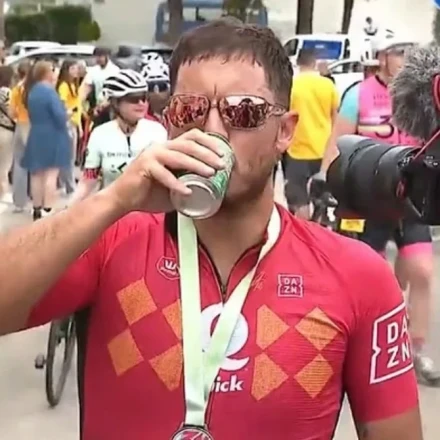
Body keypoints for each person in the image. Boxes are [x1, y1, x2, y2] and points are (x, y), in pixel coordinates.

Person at [0, 20, 422, 440]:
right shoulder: (112, 241)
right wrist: (112, 201)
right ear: (170, 123)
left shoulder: (357, 275)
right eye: (191, 110)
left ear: (285, 131)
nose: (213, 130)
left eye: (244, 112)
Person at [320, 37, 440, 386]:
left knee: (422, 271)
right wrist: (326, 181)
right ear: (383, 57)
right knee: (370, 279)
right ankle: (363, 349)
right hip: (370, 196)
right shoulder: (357, 94)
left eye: (409, 51)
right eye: (399, 51)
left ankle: (415, 352)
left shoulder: (426, 93)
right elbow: (337, 142)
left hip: (413, 194)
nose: (405, 57)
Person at [70, 69, 167, 202]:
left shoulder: (158, 131)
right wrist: (68, 208)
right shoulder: (100, 134)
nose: (141, 103)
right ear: (115, 103)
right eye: (133, 98)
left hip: (151, 209)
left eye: (144, 97)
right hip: (112, 208)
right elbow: (88, 181)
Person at [284, 48, 339, 219]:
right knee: (321, 198)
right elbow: (336, 117)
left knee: (299, 198)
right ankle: (318, 225)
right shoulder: (328, 85)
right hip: (323, 151)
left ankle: (303, 229)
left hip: (297, 151)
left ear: (298, 63)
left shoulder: (291, 86)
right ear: (314, 63)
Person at [21, 61, 71, 221]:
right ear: (46, 73)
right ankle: (48, 208)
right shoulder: (50, 92)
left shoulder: (32, 91)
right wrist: (67, 114)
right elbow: (59, 116)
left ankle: (36, 208)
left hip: (36, 133)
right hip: (53, 134)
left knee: (36, 174)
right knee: (51, 174)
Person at [56, 59, 81, 195]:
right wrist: (69, 112)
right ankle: (70, 186)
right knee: (69, 156)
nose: (76, 71)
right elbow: (62, 103)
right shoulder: (64, 86)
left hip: (74, 123)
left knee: (70, 155)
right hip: (67, 122)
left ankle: (64, 183)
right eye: (73, 69)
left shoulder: (73, 85)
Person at [10, 60, 31, 212]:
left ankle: (19, 202)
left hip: (21, 125)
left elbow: (11, 112)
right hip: (36, 126)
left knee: (19, 164)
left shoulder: (16, 89)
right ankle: (37, 200)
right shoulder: (36, 88)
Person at [80, 46, 119, 113]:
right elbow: (86, 87)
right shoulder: (93, 70)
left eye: (100, 56)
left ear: (107, 57)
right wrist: (79, 101)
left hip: (111, 106)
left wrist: (104, 104)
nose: (98, 59)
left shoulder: (115, 71)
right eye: (96, 56)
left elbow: (114, 91)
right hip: (98, 104)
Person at [0, 66, 16, 201]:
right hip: (6, 130)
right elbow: (12, 112)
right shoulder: (7, 92)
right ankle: (4, 192)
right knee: (5, 164)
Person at [141, 55, 171, 122]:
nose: (156, 92)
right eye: (151, 87)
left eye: (162, 86)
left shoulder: (179, 115)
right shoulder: (140, 117)